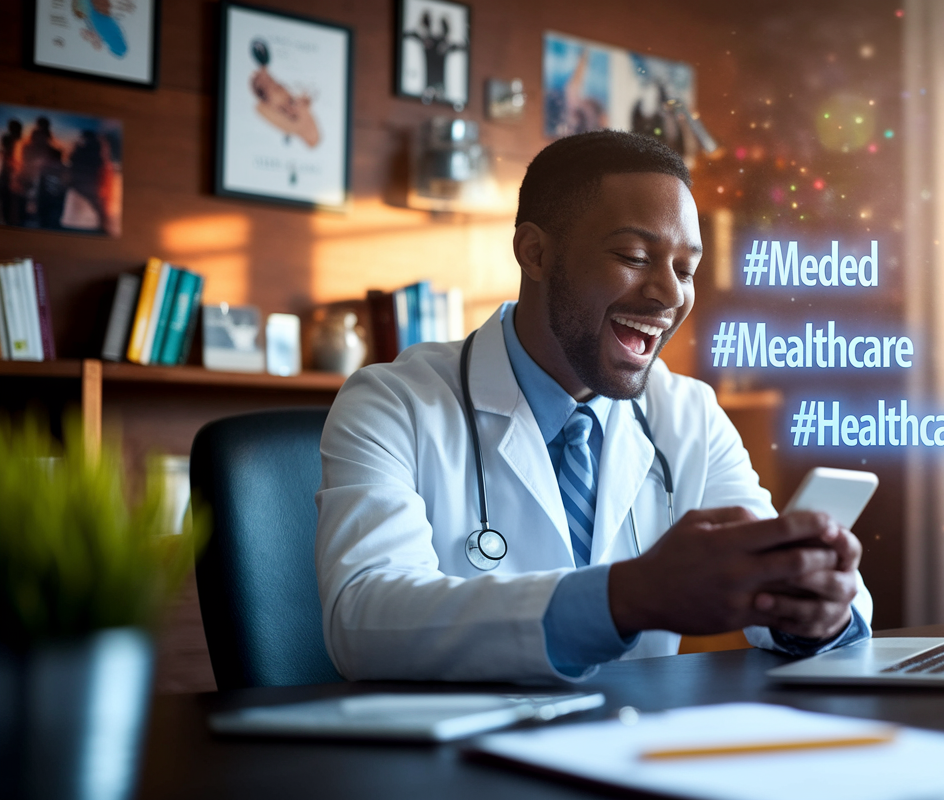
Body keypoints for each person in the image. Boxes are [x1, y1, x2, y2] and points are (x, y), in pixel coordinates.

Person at [315, 130, 872, 682]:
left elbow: (779, 602)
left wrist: (814, 612)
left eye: (685, 270)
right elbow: (363, 619)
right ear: (535, 253)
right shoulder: (391, 402)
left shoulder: (690, 414)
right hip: (458, 754)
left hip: (635, 748)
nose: (670, 294)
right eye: (634, 255)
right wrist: (629, 595)